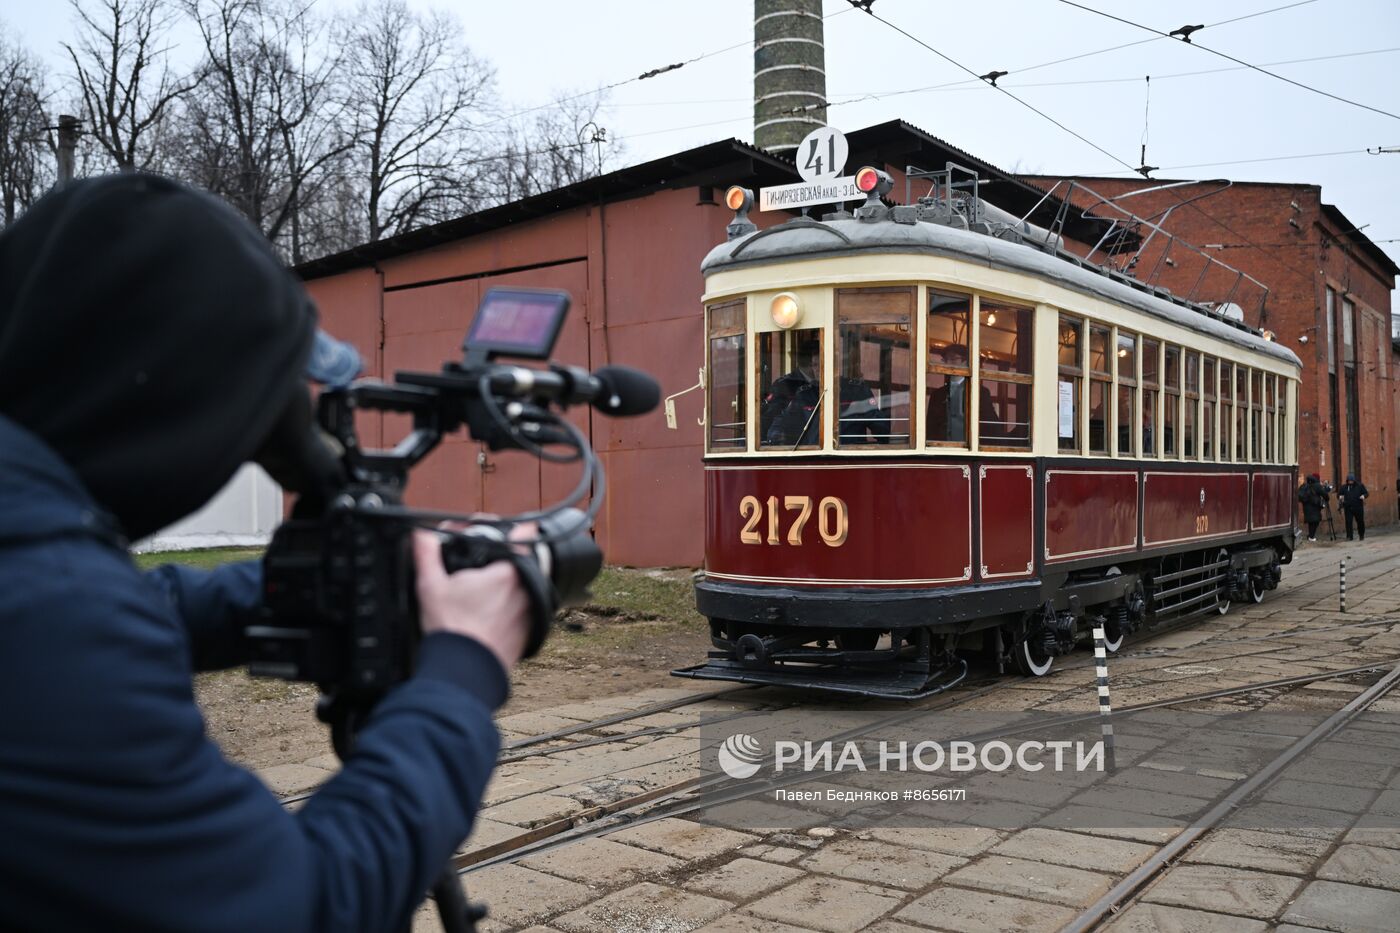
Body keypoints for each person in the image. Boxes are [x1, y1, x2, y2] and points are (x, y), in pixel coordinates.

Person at [0, 175, 530, 931]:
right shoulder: (50, 617)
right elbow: (297, 908)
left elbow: (125, 608)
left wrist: (301, 583)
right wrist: (461, 672)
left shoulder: (31, 550)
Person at [926, 344, 1002, 443]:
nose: (947, 363)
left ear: (965, 362)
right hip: (940, 451)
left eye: (953, 359)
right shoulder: (937, 395)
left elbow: (991, 427)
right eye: (945, 360)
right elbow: (930, 429)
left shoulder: (980, 393)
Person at [761, 335, 822, 446]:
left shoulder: (820, 384)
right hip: (794, 444)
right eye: (816, 364)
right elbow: (771, 418)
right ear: (810, 364)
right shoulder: (784, 385)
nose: (819, 368)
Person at [1297, 473, 1328, 542]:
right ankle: (1311, 536)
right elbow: (1324, 494)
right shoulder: (1317, 486)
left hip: (1307, 507)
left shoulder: (1305, 486)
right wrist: (1327, 498)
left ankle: (1311, 536)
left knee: (1311, 522)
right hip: (1315, 507)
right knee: (1315, 521)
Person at [1339, 472, 1369, 541]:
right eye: (1349, 481)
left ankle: (1361, 535)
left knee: (1360, 521)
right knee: (1348, 522)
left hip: (1358, 506)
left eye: (1351, 481)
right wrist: (1340, 497)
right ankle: (1349, 536)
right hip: (1348, 507)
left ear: (1354, 480)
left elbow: (1366, 493)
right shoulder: (1344, 487)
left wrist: (1363, 496)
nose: (1350, 482)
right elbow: (1339, 494)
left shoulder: (1360, 486)